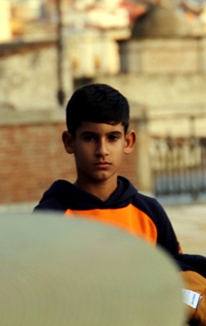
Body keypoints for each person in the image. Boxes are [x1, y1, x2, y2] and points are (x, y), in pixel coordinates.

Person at [35, 83, 180, 255]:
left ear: (128, 142)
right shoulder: (49, 218)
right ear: (69, 142)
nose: (102, 150)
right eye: (89, 138)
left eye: (112, 138)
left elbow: (176, 274)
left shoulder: (150, 213)